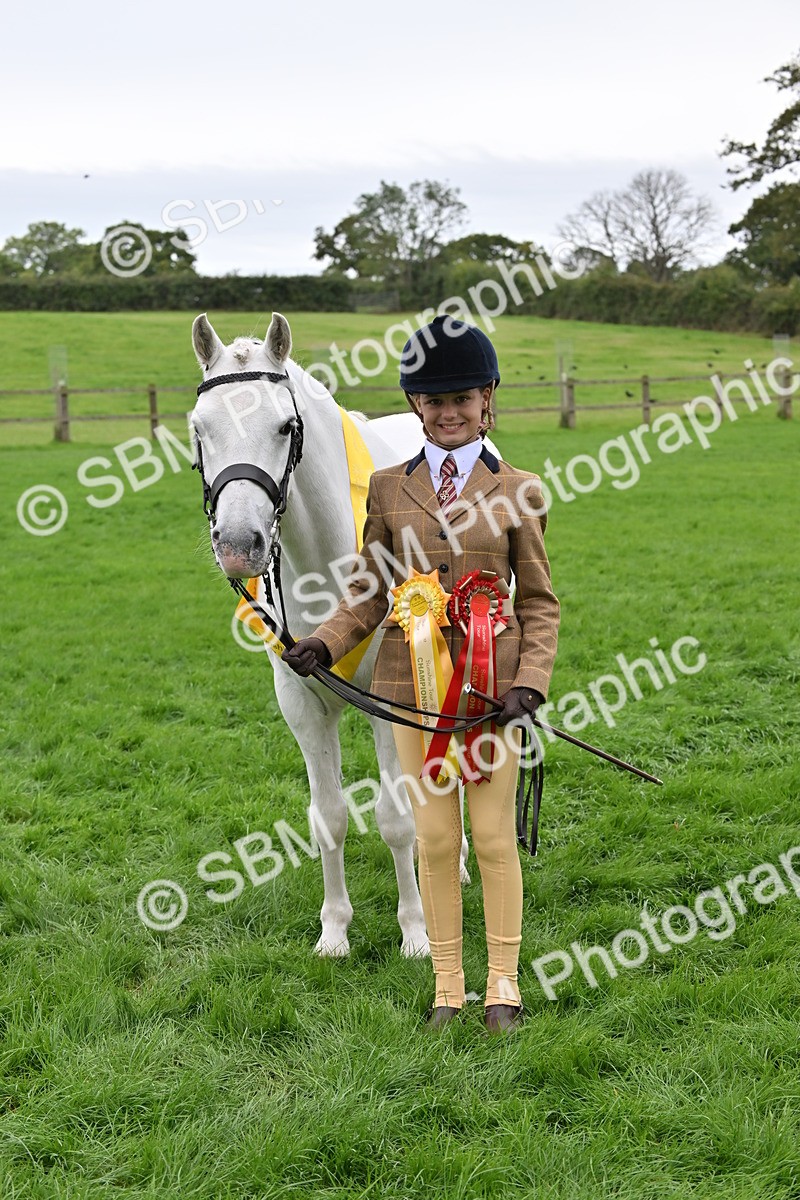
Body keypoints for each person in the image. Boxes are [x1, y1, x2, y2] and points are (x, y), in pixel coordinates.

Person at [282, 315, 559, 1032]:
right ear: (415, 405)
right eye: (435, 401)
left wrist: (530, 681)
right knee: (435, 842)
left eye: (462, 398)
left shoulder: (520, 488)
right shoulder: (386, 488)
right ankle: (447, 990)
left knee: (491, 841)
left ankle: (503, 987)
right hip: (412, 693)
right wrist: (323, 643)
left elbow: (538, 601)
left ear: (487, 398)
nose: (449, 412)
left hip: (493, 695)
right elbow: (369, 592)